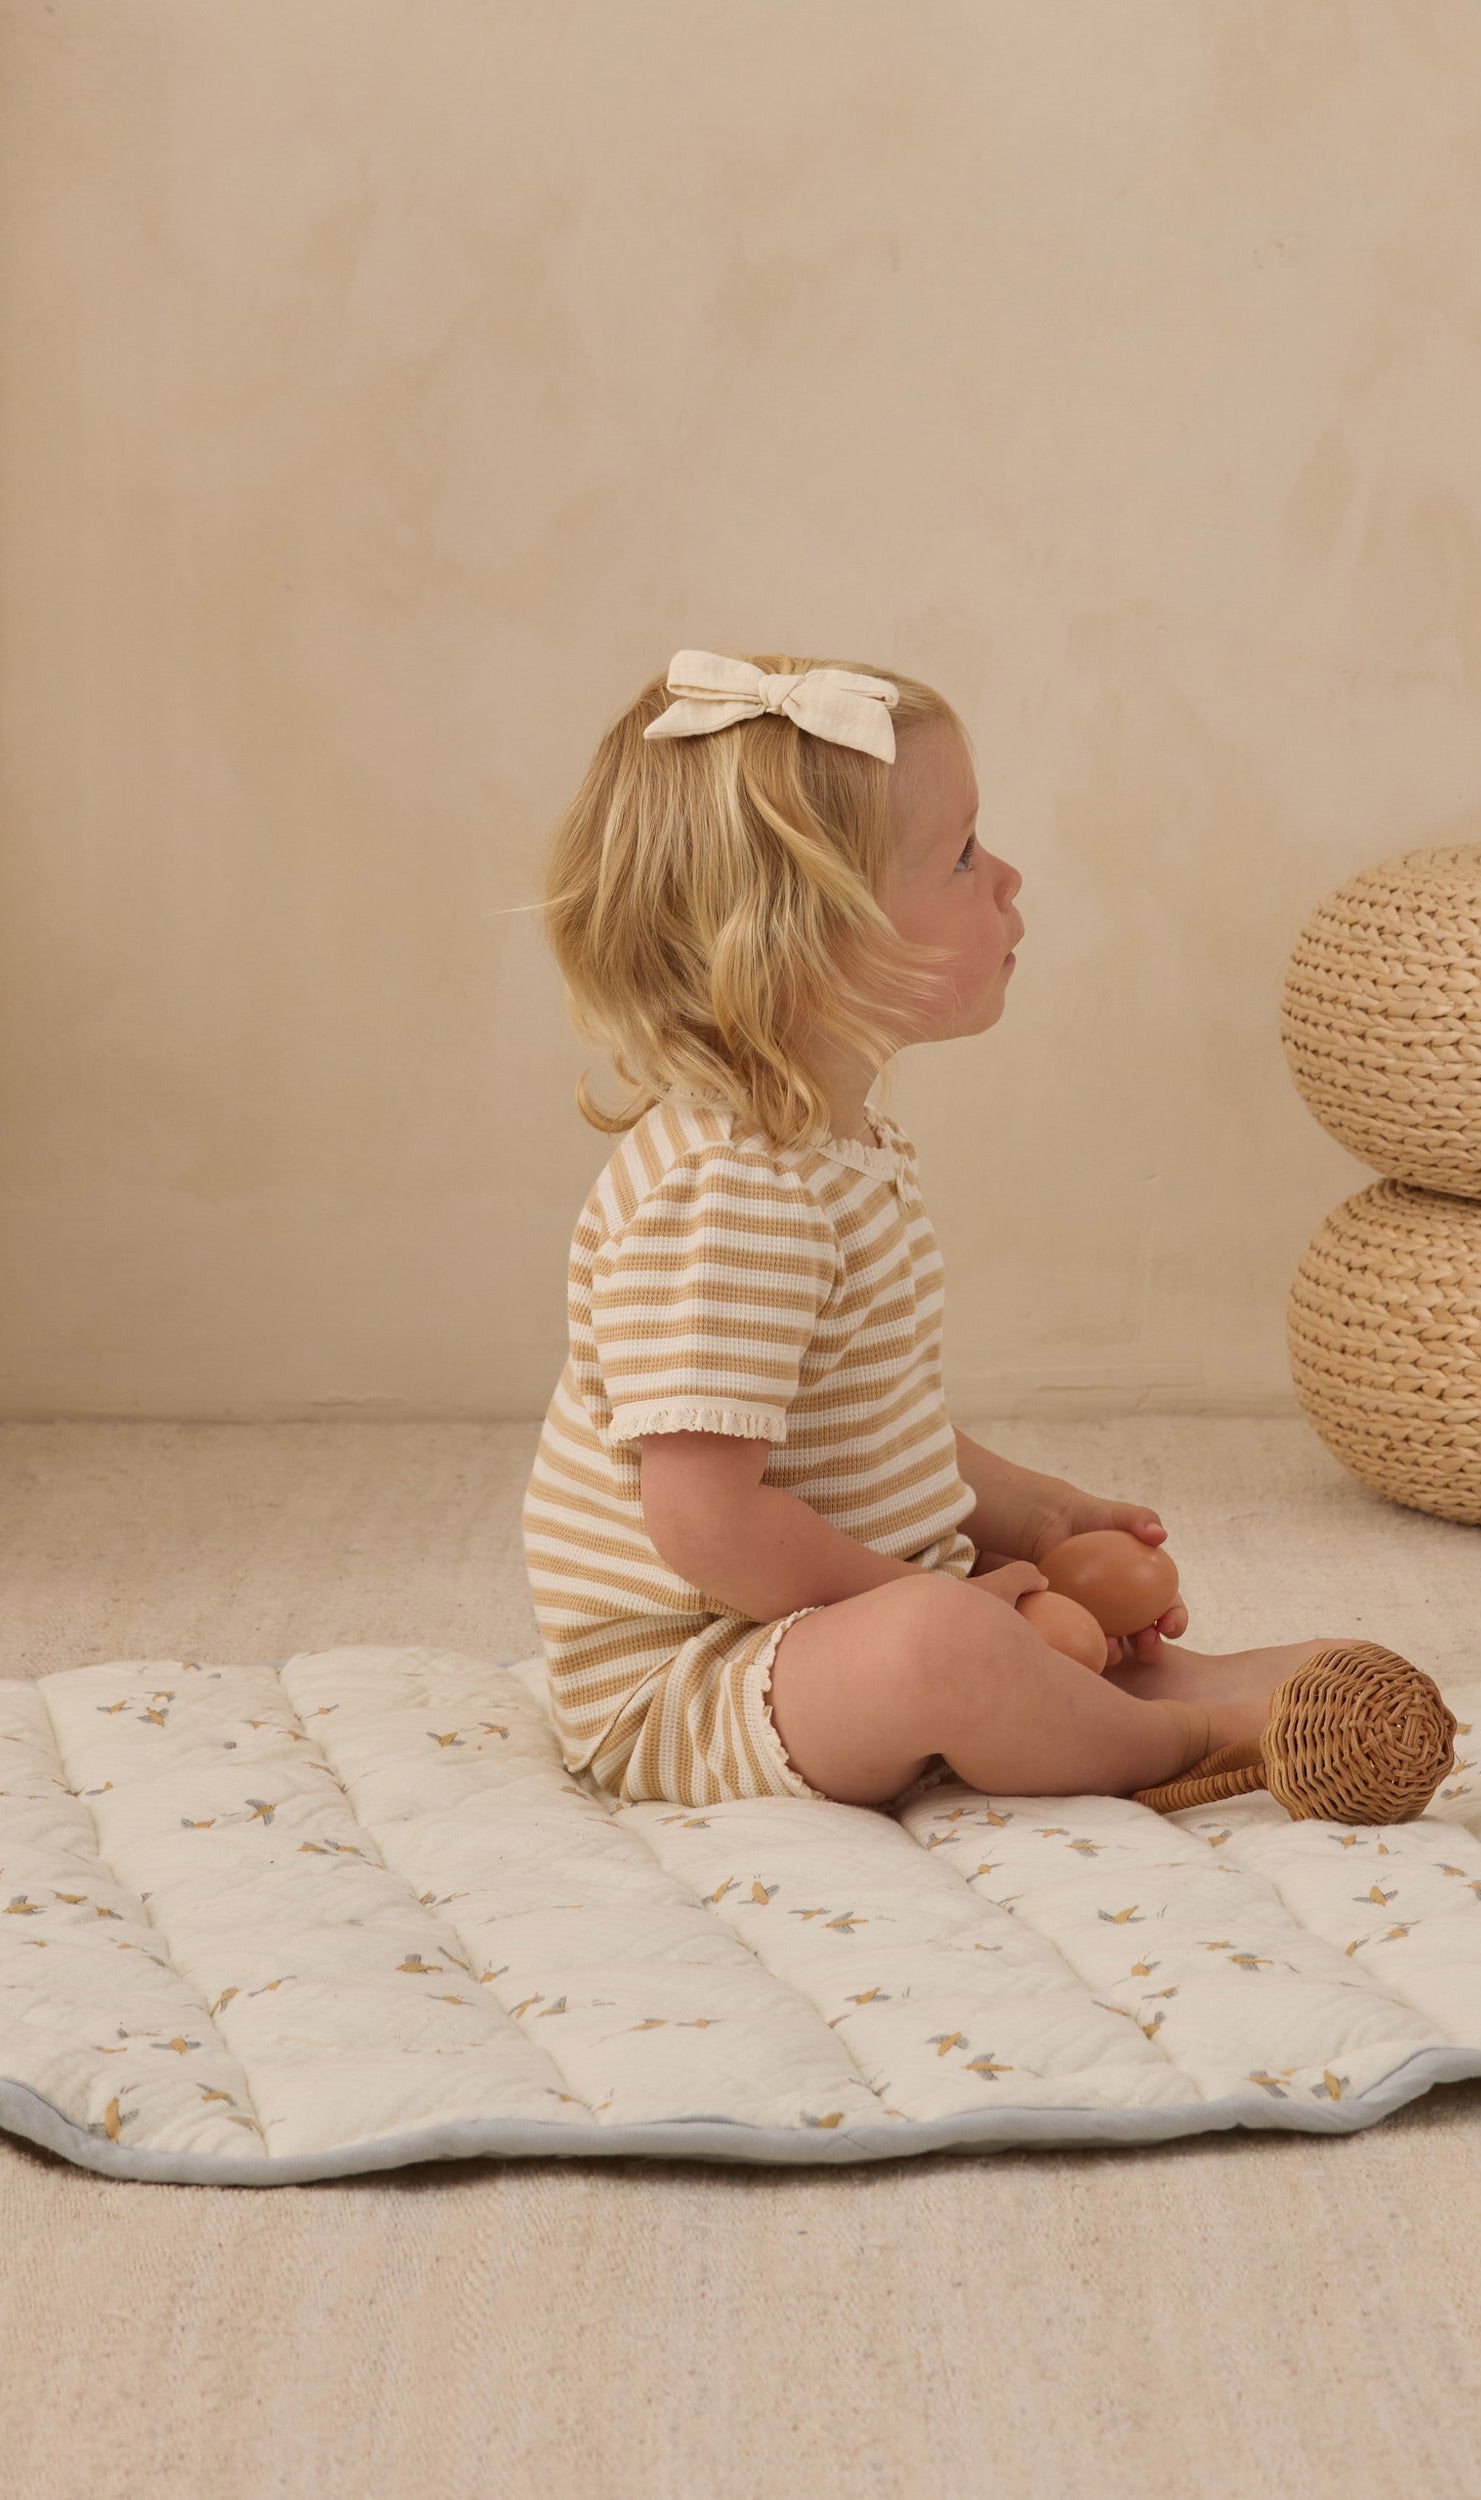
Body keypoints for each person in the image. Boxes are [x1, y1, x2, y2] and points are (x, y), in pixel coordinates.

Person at [521, 650, 1353, 1812]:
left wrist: (1039, 1518)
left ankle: (1110, 1689)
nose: (1005, 876)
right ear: (807, 943)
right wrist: (943, 1602)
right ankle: (1182, 1739)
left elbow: (868, 1423)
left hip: (798, 1619)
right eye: (960, 855)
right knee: (935, 1647)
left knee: (994, 1616)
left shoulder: (831, 1149)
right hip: (697, 1683)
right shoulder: (725, 1195)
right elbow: (705, 1526)